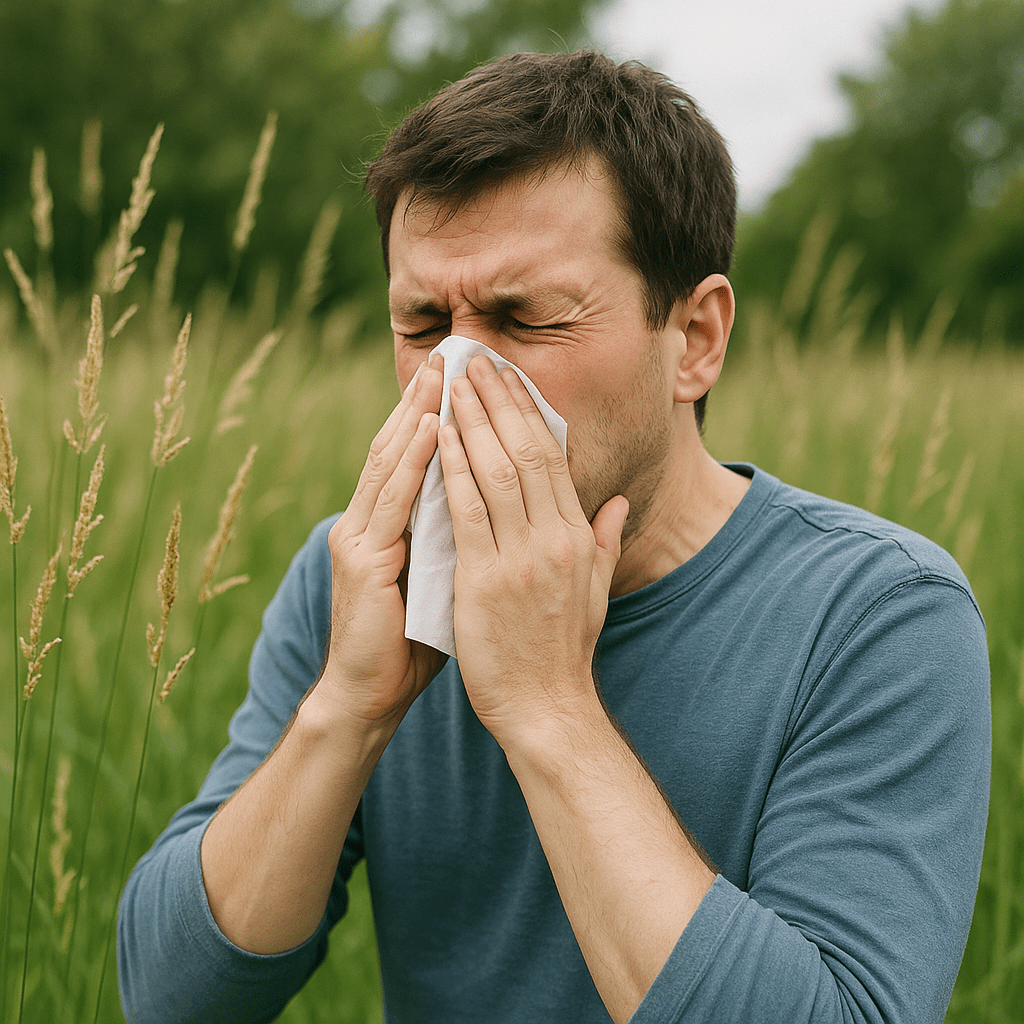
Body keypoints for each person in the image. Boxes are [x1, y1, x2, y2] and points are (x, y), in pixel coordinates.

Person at [117, 51, 990, 1024]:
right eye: (424, 323)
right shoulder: (364, 578)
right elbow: (170, 1000)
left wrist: (547, 705)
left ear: (695, 339)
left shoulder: (877, 613)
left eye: (523, 318)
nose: (456, 377)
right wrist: (350, 708)